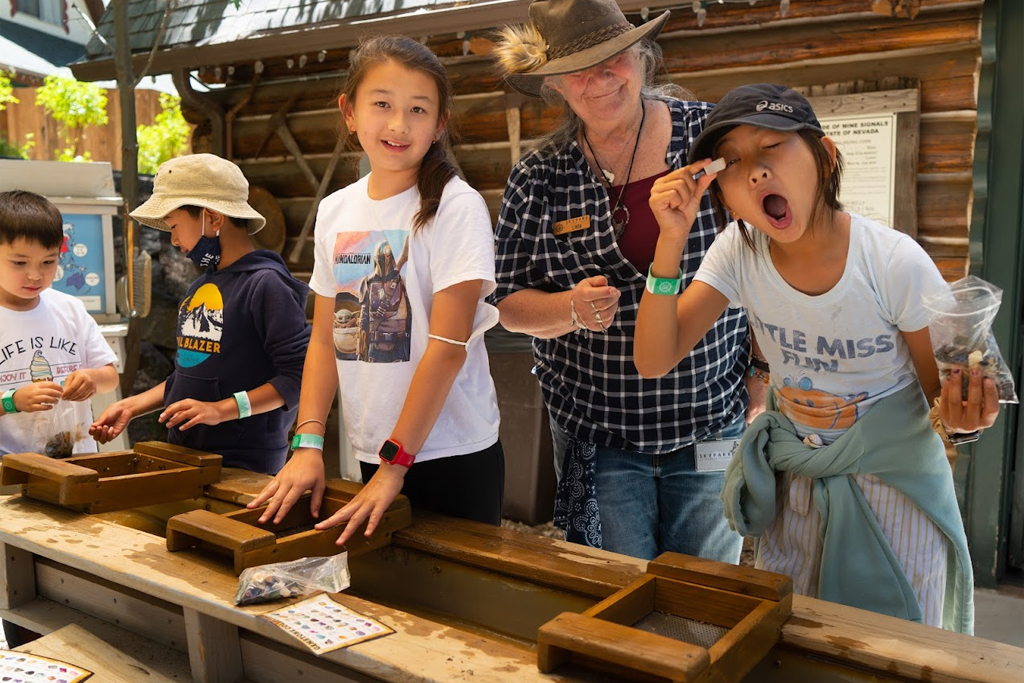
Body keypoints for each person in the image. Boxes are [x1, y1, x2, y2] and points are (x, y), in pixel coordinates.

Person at [634, 83, 1000, 632]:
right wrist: (669, 240)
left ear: (825, 158)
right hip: (798, 487)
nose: (755, 172)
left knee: (896, 647)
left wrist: (967, 418)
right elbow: (654, 358)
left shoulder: (892, 262)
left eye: (771, 147)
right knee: (799, 640)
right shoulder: (738, 251)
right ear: (723, 195)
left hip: (892, 488)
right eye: (733, 162)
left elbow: (942, 403)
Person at [491, 0, 761, 562]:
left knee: (703, 595)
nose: (600, 79)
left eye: (613, 58)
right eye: (578, 70)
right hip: (596, 432)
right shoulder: (538, 176)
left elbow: (767, 256)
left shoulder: (712, 141)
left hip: (711, 418)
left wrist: (760, 375)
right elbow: (508, 304)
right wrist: (568, 308)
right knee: (612, 592)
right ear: (554, 84)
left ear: (641, 55)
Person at [247, 35, 504, 546]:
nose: (398, 125)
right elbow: (325, 339)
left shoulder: (457, 206)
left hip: (450, 452)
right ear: (349, 112)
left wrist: (395, 464)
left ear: (439, 124)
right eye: (382, 104)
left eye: (417, 109)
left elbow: (448, 348)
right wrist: (308, 443)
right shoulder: (335, 210)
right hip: (375, 452)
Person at [89, 154, 311, 474]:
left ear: (213, 218)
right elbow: (190, 375)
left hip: (247, 465)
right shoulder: (200, 287)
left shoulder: (267, 285)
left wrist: (220, 410)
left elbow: (298, 377)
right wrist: (130, 406)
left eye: (174, 226)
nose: (174, 240)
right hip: (188, 454)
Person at [0, 190, 119, 456]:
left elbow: (110, 377)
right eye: (19, 262)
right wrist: (12, 401)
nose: (35, 274)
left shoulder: (69, 309)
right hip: (10, 468)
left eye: (48, 261)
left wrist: (91, 379)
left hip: (76, 461)